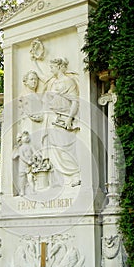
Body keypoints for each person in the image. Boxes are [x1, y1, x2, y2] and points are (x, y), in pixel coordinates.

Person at [42, 58, 81, 187]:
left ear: (59, 67)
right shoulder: (52, 83)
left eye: (52, 67)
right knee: (55, 149)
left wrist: (70, 118)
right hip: (53, 118)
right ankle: (64, 179)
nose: (50, 69)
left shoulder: (68, 81)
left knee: (66, 148)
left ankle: (75, 174)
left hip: (64, 119)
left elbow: (75, 101)